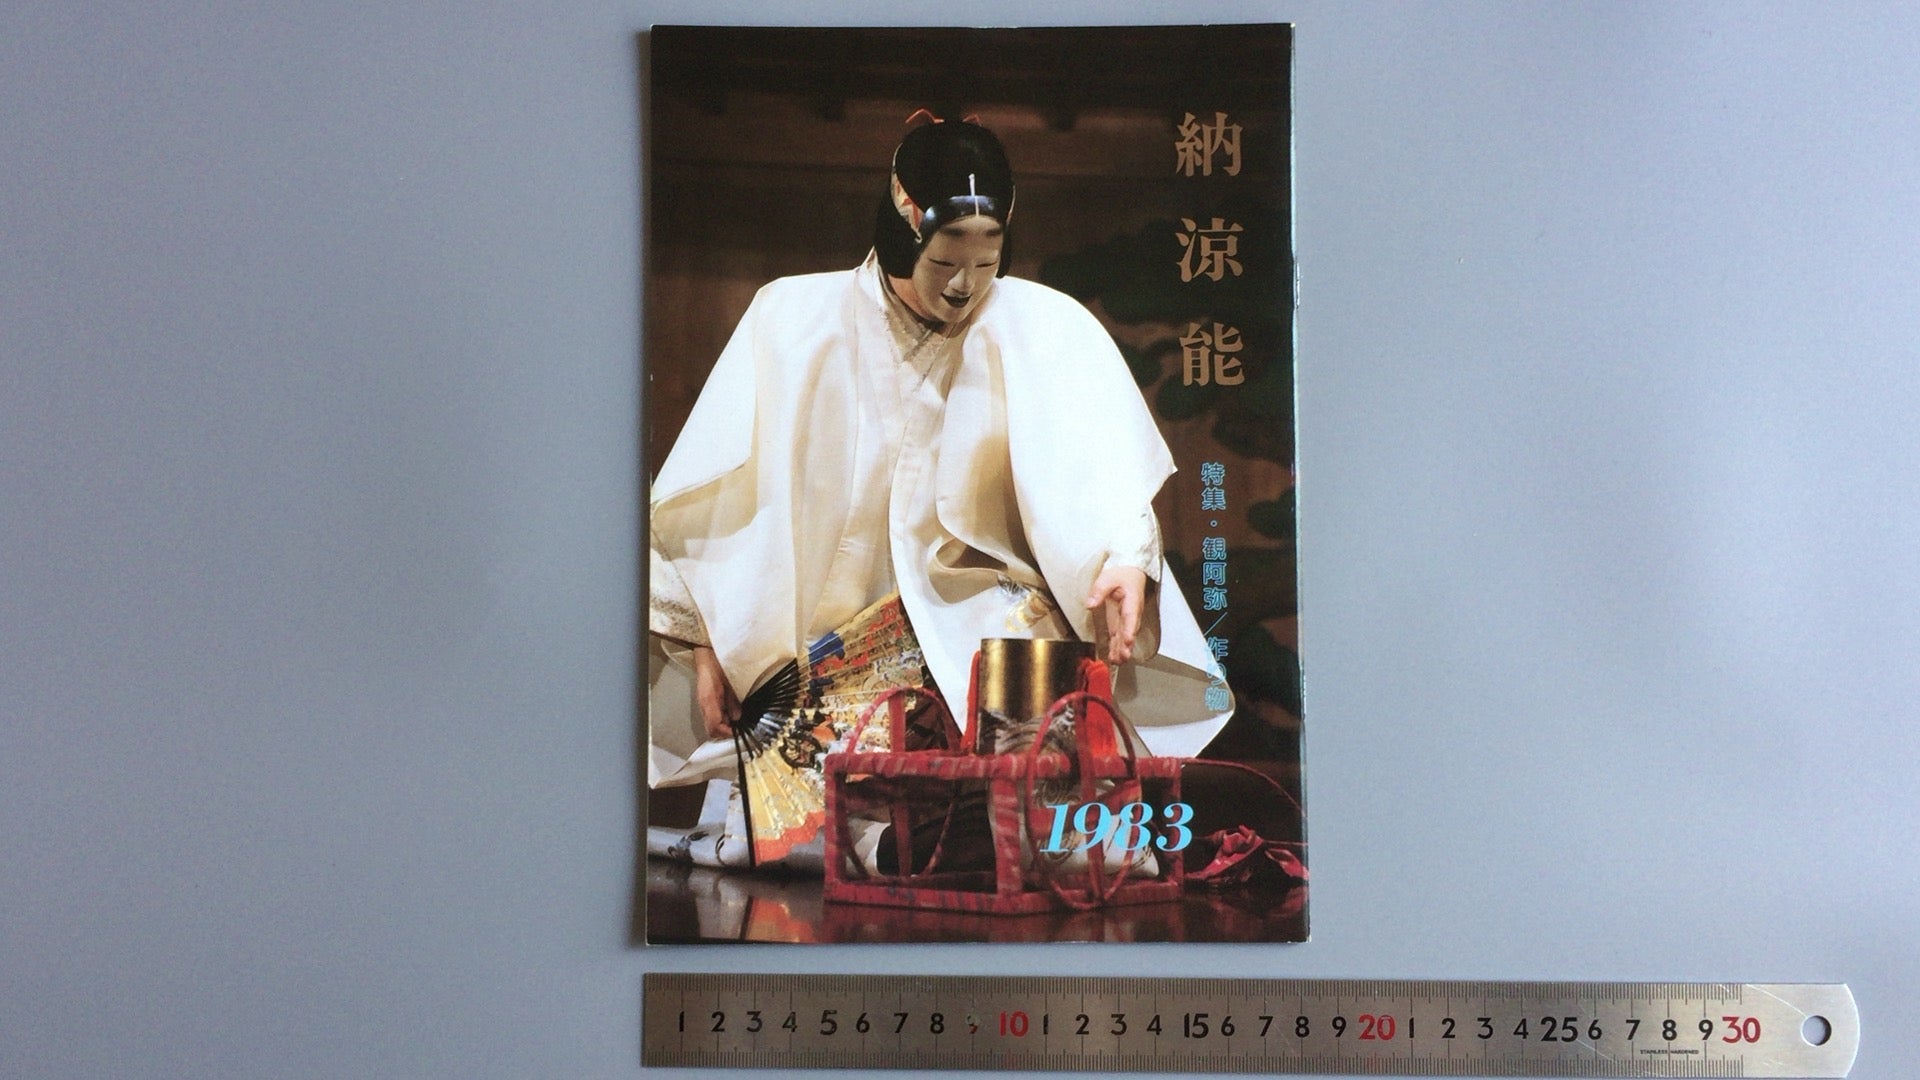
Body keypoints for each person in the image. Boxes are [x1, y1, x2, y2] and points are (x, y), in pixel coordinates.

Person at [647, 116, 1231, 797]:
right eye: (945, 263)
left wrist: (1125, 561)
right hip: (819, 640)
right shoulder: (792, 320)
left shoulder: (1046, 326)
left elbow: (1103, 480)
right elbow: (702, 505)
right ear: (905, 228)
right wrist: (707, 643)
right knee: (825, 813)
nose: (963, 286)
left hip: (990, 627)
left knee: (1031, 806)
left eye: (985, 264)